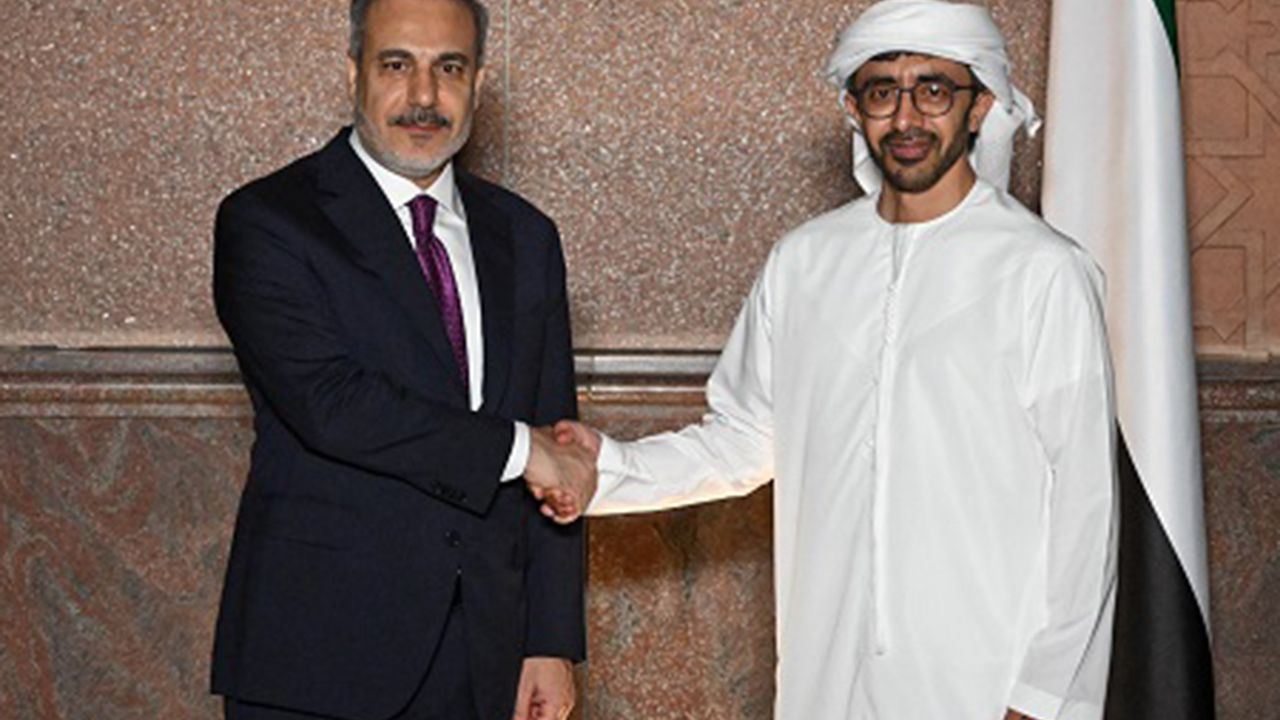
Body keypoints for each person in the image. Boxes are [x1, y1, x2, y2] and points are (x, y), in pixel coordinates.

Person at [545, 1, 1118, 718]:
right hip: (825, 677)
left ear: (979, 107)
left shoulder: (1044, 271)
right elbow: (742, 441)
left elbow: (1086, 503)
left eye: (933, 89)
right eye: (882, 91)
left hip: (986, 683)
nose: (906, 117)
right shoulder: (804, 263)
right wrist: (607, 469)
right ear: (854, 107)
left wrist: (1043, 696)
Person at [210, 0, 594, 718]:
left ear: (478, 83)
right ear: (353, 73)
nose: (424, 96)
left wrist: (549, 640)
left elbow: (557, 435)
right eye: (396, 65)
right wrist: (521, 451)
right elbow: (332, 403)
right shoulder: (268, 221)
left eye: (449, 68)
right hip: (316, 659)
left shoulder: (526, 236)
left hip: (488, 661)